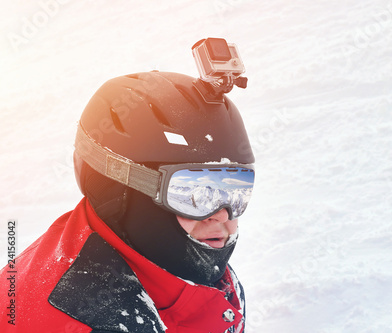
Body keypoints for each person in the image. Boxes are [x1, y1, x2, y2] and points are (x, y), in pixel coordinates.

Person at [1, 46, 255, 332]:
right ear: (117, 190)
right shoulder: (76, 321)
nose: (223, 216)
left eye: (236, 191)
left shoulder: (168, 267)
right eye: (195, 193)